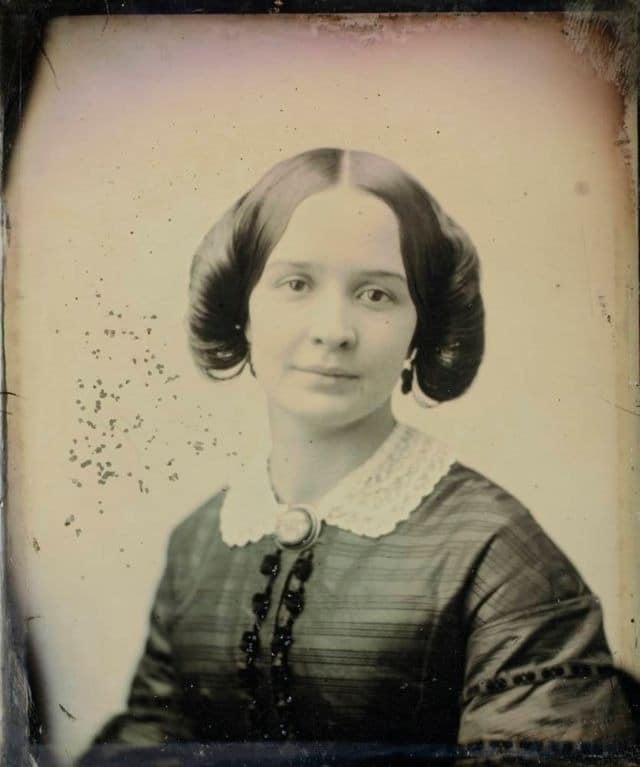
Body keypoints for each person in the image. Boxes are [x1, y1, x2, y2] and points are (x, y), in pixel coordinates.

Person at [80, 149, 634, 765]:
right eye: (296, 284)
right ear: (243, 311)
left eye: (376, 294)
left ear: (419, 332)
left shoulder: (497, 550)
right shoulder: (198, 545)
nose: (334, 330)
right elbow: (148, 744)